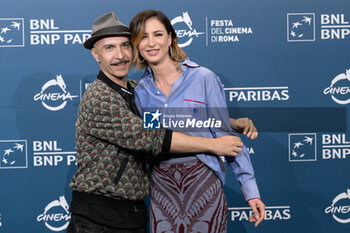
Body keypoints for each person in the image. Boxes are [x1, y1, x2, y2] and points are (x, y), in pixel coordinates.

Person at [67, 12, 256, 233]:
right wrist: (213, 144)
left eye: (125, 46)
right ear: (95, 54)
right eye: (109, 48)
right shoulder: (100, 97)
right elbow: (151, 136)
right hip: (99, 215)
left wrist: (229, 122)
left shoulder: (138, 90)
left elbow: (167, 117)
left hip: (134, 213)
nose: (120, 55)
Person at [129, 10, 266, 233]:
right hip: (162, 186)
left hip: (203, 181)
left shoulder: (202, 78)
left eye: (158, 34)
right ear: (136, 43)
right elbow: (154, 137)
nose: (151, 43)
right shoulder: (141, 91)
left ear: (170, 38)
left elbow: (224, 137)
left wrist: (251, 191)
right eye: (143, 37)